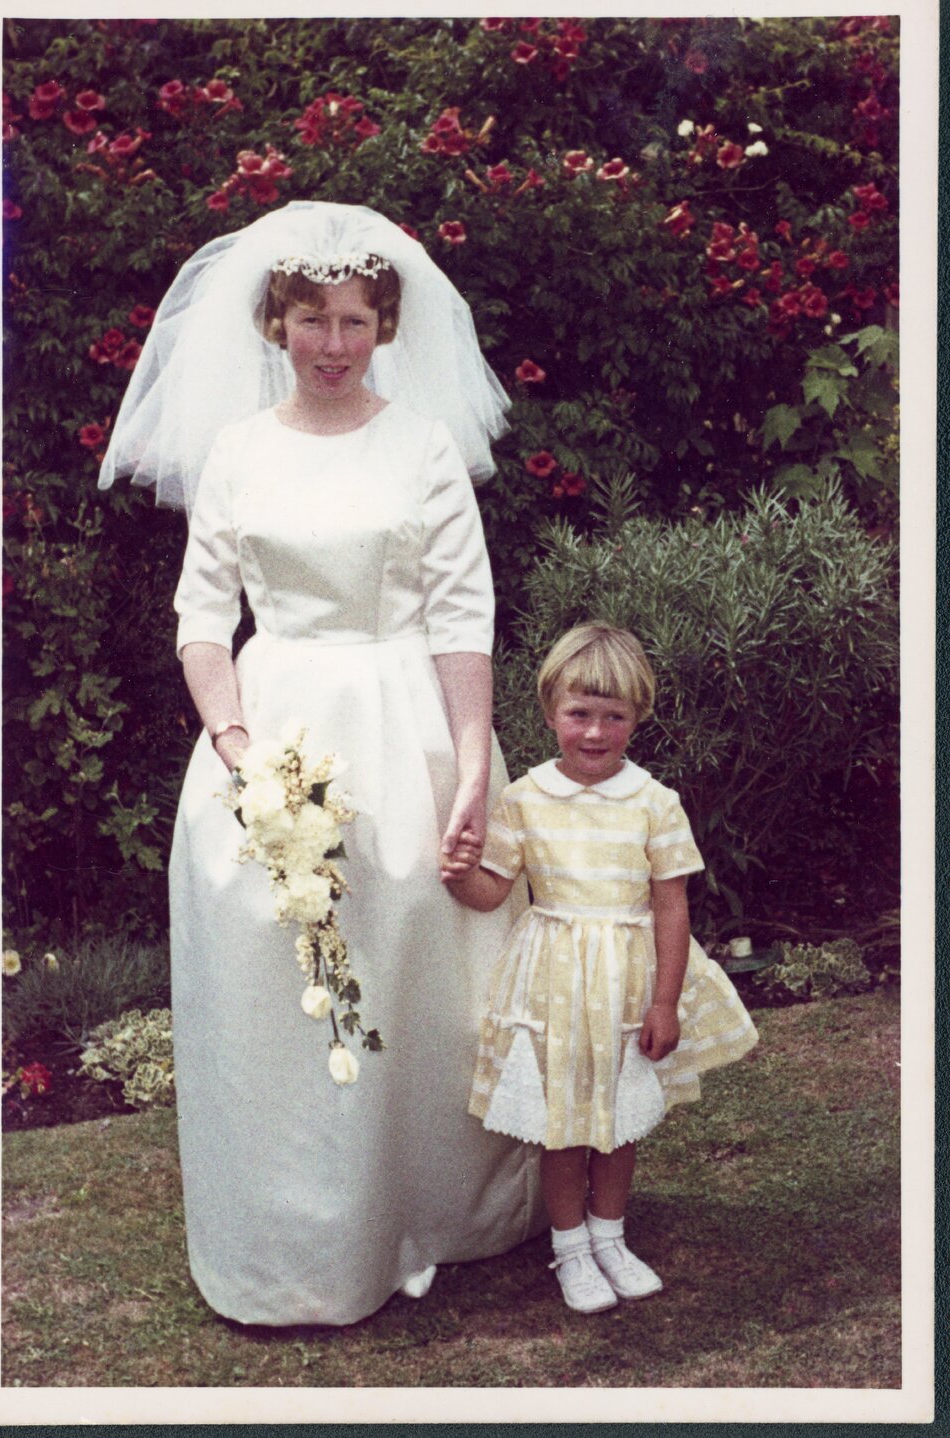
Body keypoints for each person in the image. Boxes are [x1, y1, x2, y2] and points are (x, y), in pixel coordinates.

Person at [98, 201, 542, 1327]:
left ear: (383, 325)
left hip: (405, 728)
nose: (332, 342)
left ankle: (432, 1211)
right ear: (275, 324)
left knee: (414, 976)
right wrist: (239, 751)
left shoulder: (422, 444)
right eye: (310, 319)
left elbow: (460, 614)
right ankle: (295, 1235)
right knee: (279, 989)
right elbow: (202, 619)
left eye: (352, 319)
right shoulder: (238, 453)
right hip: (274, 729)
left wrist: (474, 764)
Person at [441, 622, 759, 1314]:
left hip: (626, 984)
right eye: (578, 714)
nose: (593, 732)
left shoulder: (654, 803)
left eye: (612, 716)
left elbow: (671, 908)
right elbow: (493, 889)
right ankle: (571, 1250)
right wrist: (458, 876)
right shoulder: (524, 797)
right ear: (551, 710)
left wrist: (665, 1003)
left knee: (615, 1121)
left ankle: (610, 1237)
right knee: (565, 1124)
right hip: (553, 984)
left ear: (636, 718)